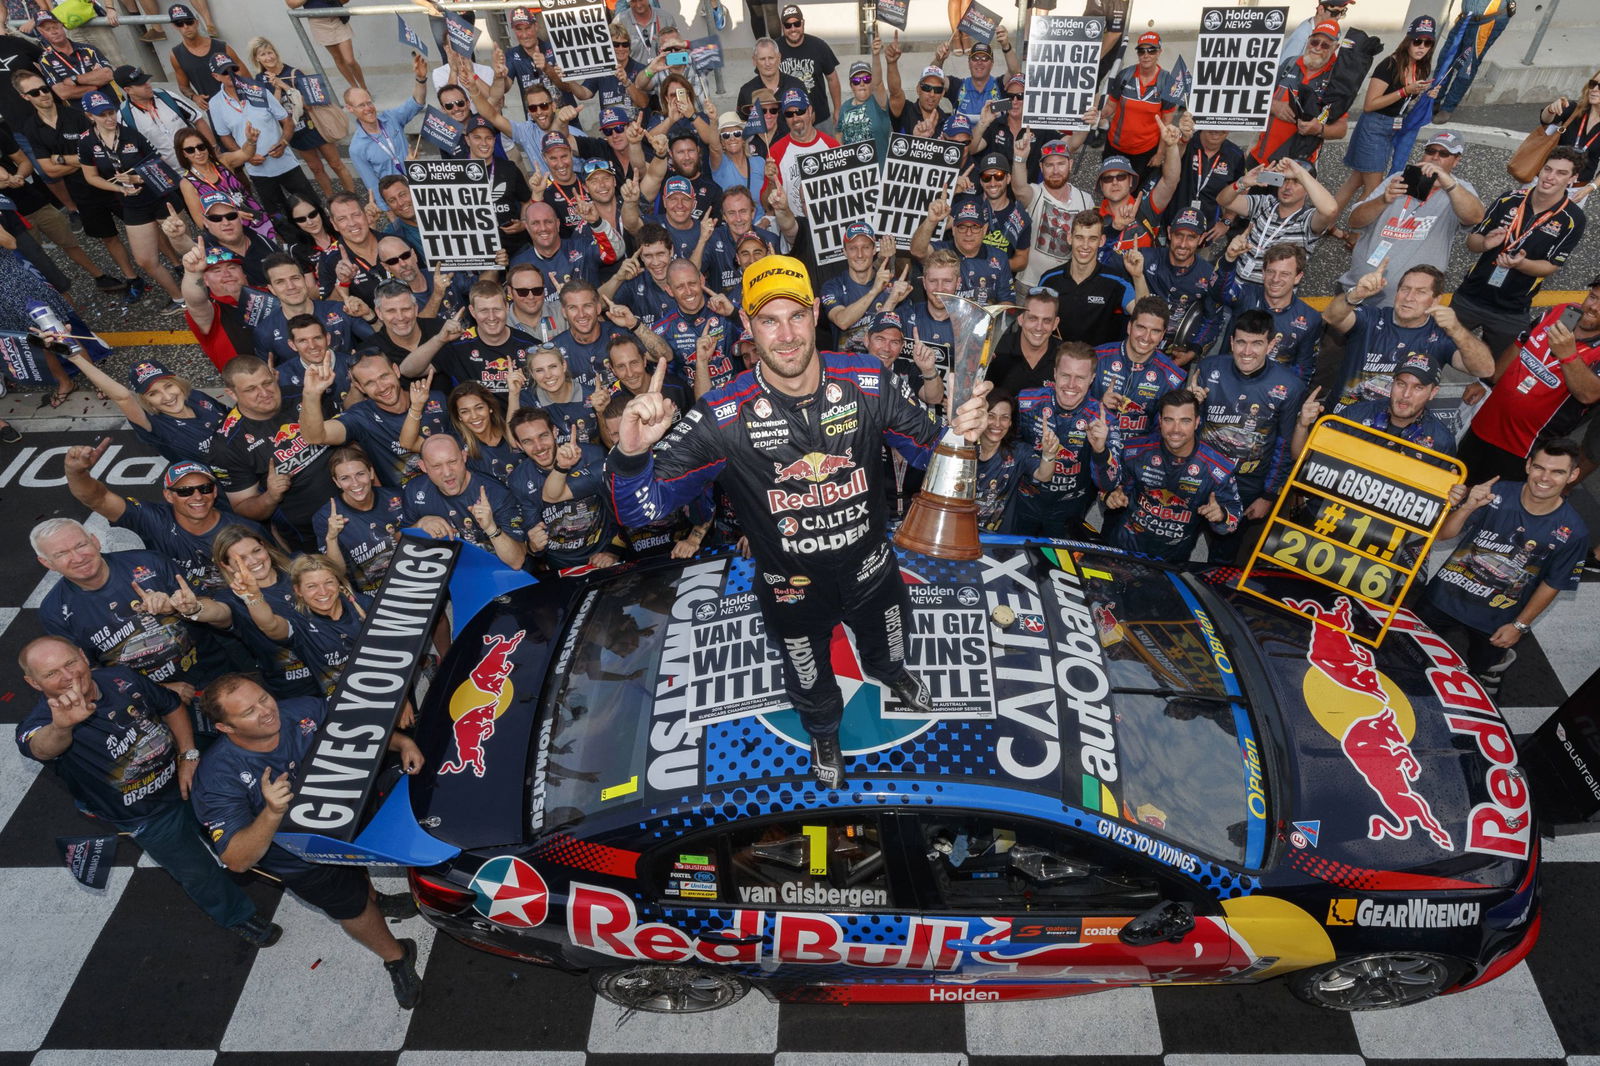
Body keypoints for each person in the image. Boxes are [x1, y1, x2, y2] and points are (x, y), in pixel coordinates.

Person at [606, 254, 992, 789]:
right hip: (791, 590)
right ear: (747, 326)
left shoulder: (867, 379)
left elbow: (932, 455)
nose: (785, 334)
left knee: (889, 650)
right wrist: (630, 455)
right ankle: (824, 732)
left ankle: (893, 676)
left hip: (873, 572)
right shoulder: (722, 416)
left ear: (815, 313)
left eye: (795, 316)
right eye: (768, 320)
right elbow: (638, 511)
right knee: (810, 683)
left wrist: (964, 433)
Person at [16, 636, 280, 948]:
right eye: (51, 674)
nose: (68, 676)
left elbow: (169, 706)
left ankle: (258, 858)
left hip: (187, 781)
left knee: (235, 824)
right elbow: (42, 749)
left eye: (70, 662)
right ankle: (237, 915)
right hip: (147, 817)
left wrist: (188, 755)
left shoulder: (120, 677)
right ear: (33, 683)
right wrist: (63, 727)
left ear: (84, 658)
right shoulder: (40, 725)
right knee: (196, 871)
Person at [192, 674, 424, 1009]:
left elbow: (358, 726)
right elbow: (236, 859)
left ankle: (376, 898)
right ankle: (397, 957)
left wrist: (402, 743)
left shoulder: (301, 709)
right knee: (352, 908)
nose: (266, 711)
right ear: (225, 728)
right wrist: (272, 811)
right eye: (248, 713)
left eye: (262, 698)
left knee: (362, 878)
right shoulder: (217, 777)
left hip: (346, 819)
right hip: (301, 859)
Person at [1420, 438, 1587, 694]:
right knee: (1407, 649)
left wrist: (1519, 626)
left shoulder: (1574, 532)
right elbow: (1442, 535)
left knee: (1477, 678)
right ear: (1528, 465)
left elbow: (1553, 583)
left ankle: (1492, 671)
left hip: (1497, 619)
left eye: (1557, 472)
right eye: (1540, 467)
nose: (1545, 477)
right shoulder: (1495, 493)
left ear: (1573, 475)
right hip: (1443, 596)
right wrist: (1468, 507)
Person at [17, 67, 143, 301]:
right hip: (82, 193)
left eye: (45, 88)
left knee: (146, 224)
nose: (43, 94)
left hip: (111, 180)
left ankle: (176, 265)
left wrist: (62, 158)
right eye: (35, 92)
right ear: (25, 97)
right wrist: (82, 159)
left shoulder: (75, 115)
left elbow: (100, 152)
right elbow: (48, 169)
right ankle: (133, 278)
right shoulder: (31, 128)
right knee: (108, 237)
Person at [1451, 148, 1587, 362]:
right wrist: (1485, 243)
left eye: (1561, 173)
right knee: (1436, 351)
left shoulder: (1573, 219)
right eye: (1548, 169)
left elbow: (1552, 266)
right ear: (1540, 170)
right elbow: (1472, 242)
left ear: (1573, 179)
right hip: (1470, 296)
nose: (1550, 177)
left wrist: (1521, 264)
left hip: (1512, 309)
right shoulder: (1509, 199)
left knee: (1496, 372)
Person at [1458, 280, 1600, 483]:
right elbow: (1520, 343)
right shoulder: (1559, 311)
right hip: (1483, 425)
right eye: (1593, 297)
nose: (1593, 307)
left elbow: (1589, 394)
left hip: (1524, 450)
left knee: (1493, 504)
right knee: (1455, 485)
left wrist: (1568, 355)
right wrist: (1486, 382)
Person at [1191, 309, 1305, 562]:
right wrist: (1191, 402)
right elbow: (1186, 423)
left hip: (1247, 483)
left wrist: (1268, 495)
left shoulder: (1290, 386)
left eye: (1257, 343)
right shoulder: (1209, 367)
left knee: (1224, 552)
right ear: (1231, 341)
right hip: (1200, 473)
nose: (1247, 351)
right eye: (1241, 342)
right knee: (1181, 537)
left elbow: (1284, 445)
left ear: (1271, 344)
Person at [1340, 130, 1485, 305]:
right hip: (1359, 287)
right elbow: (1354, 221)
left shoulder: (1460, 190)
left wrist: (1449, 184)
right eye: (1430, 151)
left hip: (1408, 303)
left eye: (1444, 153)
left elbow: (1476, 216)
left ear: (1456, 160)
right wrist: (1383, 200)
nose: (1435, 157)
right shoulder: (1397, 178)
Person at [75, 90, 187, 313]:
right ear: (90, 116)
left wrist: (136, 178)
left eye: (111, 112)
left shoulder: (132, 135)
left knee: (185, 246)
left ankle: (206, 289)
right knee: (145, 259)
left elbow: (161, 168)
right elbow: (90, 177)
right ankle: (179, 298)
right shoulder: (86, 142)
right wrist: (119, 188)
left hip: (159, 196)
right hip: (132, 203)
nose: (109, 118)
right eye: (102, 115)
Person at [1324, 262, 1491, 410]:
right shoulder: (1371, 317)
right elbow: (1331, 317)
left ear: (1435, 300)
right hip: (1341, 415)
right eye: (1405, 289)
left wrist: (1458, 330)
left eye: (1420, 292)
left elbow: (1485, 369)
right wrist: (1354, 296)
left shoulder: (1441, 336)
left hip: (1393, 428)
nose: (1409, 298)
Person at [210, 354, 336, 550]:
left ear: (275, 376)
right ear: (232, 394)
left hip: (356, 499)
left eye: (267, 382)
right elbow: (242, 507)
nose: (264, 392)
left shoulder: (304, 395)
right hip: (309, 533)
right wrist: (271, 496)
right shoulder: (227, 444)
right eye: (251, 389)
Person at [1105, 389, 1241, 561]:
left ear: (1197, 422)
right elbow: (1112, 486)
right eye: (1169, 420)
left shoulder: (1218, 469)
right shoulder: (1134, 450)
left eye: (1185, 421)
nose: (1176, 430)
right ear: (1160, 421)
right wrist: (1112, 495)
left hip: (1172, 559)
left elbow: (1234, 518)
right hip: (1125, 546)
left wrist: (1221, 515)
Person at [1012, 342, 1121, 538]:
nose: (1071, 385)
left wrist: (1100, 451)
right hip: (1023, 505)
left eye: (1080, 377)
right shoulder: (1026, 402)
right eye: (1065, 375)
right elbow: (1008, 448)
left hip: (1068, 516)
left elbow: (1109, 484)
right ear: (1054, 374)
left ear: (1092, 379)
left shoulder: (1104, 420)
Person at [1336, 17, 1439, 218]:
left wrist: (1427, 96)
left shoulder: (1421, 67)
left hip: (1392, 127)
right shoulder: (1389, 65)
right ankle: (1356, 234)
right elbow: (1369, 104)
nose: (1422, 47)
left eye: (1428, 43)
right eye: (1418, 41)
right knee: (1376, 190)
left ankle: (1326, 222)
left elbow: (1406, 106)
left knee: (1356, 180)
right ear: (1408, 40)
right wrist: (1404, 90)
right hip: (1374, 126)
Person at [302, 352, 448, 489]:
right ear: (359, 387)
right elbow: (315, 436)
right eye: (370, 383)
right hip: (408, 504)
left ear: (396, 370)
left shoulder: (436, 399)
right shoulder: (361, 416)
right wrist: (311, 394)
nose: (382, 387)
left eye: (384, 376)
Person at [206, 53, 315, 229]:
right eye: (225, 72)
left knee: (309, 204)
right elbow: (224, 135)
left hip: (285, 163)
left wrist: (284, 143)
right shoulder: (215, 103)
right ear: (215, 76)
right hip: (258, 170)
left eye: (233, 69)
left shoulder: (258, 89)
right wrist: (245, 156)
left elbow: (286, 120)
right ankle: (295, 247)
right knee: (278, 215)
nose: (231, 74)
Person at [505, 406, 616, 571]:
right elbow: (533, 533)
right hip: (560, 564)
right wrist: (533, 546)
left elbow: (619, 508)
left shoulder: (593, 455)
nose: (539, 447)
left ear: (555, 432)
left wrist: (614, 551)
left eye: (543, 436)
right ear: (519, 446)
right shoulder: (519, 480)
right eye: (527, 441)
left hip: (604, 553)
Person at [248, 36, 356, 201]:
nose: (268, 57)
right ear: (256, 58)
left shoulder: (293, 72)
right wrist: (276, 89)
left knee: (336, 164)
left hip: (313, 125)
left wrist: (283, 85)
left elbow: (309, 104)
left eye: (270, 53)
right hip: (294, 130)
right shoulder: (260, 80)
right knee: (316, 169)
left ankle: (352, 197)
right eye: (263, 54)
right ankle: (330, 200)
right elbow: (270, 110)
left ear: (276, 53)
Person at [64, 355, 226, 465]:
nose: (167, 397)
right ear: (146, 400)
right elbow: (123, 398)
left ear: (177, 383)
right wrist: (75, 357)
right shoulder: (156, 426)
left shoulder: (197, 397)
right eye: (153, 393)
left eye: (168, 386)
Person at [1293, 352, 1456, 458]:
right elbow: (1303, 455)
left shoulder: (1441, 441)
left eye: (1418, 387)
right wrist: (1302, 426)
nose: (1406, 395)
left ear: (1433, 393)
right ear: (1392, 384)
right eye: (1401, 384)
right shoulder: (1355, 414)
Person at [404, 434, 528, 569]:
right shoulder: (415, 489)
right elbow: (400, 538)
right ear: (423, 467)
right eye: (436, 466)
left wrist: (491, 528)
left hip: (496, 572)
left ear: (464, 457)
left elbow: (517, 561)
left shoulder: (495, 493)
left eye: (452, 462)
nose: (447, 473)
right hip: (450, 571)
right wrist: (420, 524)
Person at [1215, 157, 1337, 286]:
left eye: (1296, 181)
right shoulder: (1265, 203)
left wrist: (1300, 173)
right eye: (1284, 180)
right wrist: (1242, 183)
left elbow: (1330, 210)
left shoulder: (1308, 219)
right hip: (1235, 289)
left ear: (1308, 187)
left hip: (1270, 299)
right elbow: (1223, 200)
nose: (1288, 187)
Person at [1248, 19, 1349, 168]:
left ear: (1335, 48)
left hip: (1296, 169)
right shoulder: (1289, 64)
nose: (1317, 48)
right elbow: (1254, 97)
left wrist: (1319, 130)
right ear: (1308, 40)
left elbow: (1341, 129)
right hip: (1260, 159)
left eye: (1325, 45)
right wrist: (1273, 105)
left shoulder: (1336, 79)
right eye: (1314, 42)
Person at [314, 444, 408, 595]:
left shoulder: (396, 496)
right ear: (337, 482)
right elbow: (337, 572)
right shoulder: (325, 517)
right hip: (373, 596)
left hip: (411, 578)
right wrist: (331, 538)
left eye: (360, 474)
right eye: (345, 478)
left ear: (371, 473)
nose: (355, 483)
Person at [1036, 210, 1138, 347]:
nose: (1085, 245)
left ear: (1101, 241)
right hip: (1058, 361)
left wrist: (1138, 276)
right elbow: (1034, 323)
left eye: (1092, 239)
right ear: (1069, 238)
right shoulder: (1049, 279)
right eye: (1079, 237)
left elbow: (1142, 314)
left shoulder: (1115, 281)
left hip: (1097, 363)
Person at [1095, 296, 1186, 440]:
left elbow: (1164, 434)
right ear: (1129, 327)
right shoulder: (1096, 358)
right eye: (1141, 327)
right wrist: (1098, 404)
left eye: (1155, 331)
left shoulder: (1172, 378)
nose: (1146, 337)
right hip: (1094, 445)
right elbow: (1070, 410)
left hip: (1138, 456)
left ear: (1162, 335)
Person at [1011, 134, 1095, 286]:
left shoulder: (1085, 199)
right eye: (1049, 165)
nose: (1056, 170)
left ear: (1070, 164)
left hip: (1067, 285)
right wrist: (1019, 159)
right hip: (1029, 283)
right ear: (1041, 168)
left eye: (1061, 164)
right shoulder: (1035, 193)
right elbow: (1019, 188)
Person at [344, 52, 429, 203]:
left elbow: (417, 102)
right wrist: (392, 218)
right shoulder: (357, 148)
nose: (368, 108)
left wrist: (421, 79)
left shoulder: (391, 118)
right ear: (350, 109)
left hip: (419, 184)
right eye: (361, 105)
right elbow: (372, 186)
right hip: (398, 200)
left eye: (369, 102)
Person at [174, 125, 276, 244]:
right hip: (230, 232)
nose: (198, 153)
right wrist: (232, 216)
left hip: (257, 219)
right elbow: (201, 221)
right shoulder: (188, 183)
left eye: (201, 147)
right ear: (183, 154)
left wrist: (251, 142)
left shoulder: (223, 161)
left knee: (273, 253)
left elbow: (245, 154)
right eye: (190, 150)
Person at [1141, 208, 1218, 366]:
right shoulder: (1144, 258)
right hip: (1138, 344)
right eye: (1178, 235)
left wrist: (1192, 353)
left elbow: (1213, 320)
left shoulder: (1209, 275)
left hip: (1175, 357)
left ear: (1201, 238)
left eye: (1191, 237)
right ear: (1169, 233)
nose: (1183, 244)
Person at [1102, 31, 1181, 184]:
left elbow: (1166, 124)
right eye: (1141, 50)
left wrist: (1160, 154)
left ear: (1159, 52)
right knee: (1111, 191)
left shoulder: (1167, 82)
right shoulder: (1125, 75)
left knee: (1137, 195)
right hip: (1116, 147)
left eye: (1151, 50)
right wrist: (1098, 113)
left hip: (1145, 152)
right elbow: (1110, 107)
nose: (1146, 55)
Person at [912, 195, 1013, 304]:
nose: (968, 233)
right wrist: (931, 221)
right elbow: (917, 251)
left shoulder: (999, 257)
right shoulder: (940, 251)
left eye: (974, 227)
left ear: (984, 230)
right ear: (954, 230)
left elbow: (1008, 301)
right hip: (943, 318)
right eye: (962, 227)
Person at [1432, 0, 1517, 123]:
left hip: (1488, 20)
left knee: (1468, 65)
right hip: (1467, 16)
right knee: (1446, 57)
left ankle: (1448, 107)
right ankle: (1434, 99)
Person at [113, 63, 208, 172]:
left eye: (146, 80)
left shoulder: (167, 96)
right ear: (128, 90)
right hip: (173, 177)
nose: (147, 84)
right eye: (141, 84)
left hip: (202, 165)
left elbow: (198, 120)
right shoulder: (124, 116)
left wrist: (213, 149)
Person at [973, 391, 1031, 533]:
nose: (997, 424)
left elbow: (1044, 475)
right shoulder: (962, 448)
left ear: (1011, 422)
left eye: (1004, 417)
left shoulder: (1017, 452)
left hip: (997, 543)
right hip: (959, 534)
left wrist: (1049, 455)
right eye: (991, 416)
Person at [775, 4, 839, 132]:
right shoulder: (775, 48)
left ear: (803, 23)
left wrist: (837, 109)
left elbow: (832, 79)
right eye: (788, 25)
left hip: (820, 119)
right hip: (787, 121)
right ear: (782, 27)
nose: (793, 29)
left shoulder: (819, 46)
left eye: (796, 24)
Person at [987, 287, 1060, 398]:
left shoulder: (1065, 356)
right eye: (1033, 318)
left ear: (1055, 323)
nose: (1039, 327)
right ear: (1020, 318)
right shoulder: (996, 350)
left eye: (1047, 320)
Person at [166, 2, 242, 105]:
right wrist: (194, 97)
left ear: (196, 22)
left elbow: (245, 76)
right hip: (213, 108)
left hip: (239, 102)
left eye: (189, 22)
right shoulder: (176, 55)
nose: (185, 27)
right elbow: (184, 86)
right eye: (179, 24)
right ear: (174, 26)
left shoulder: (222, 47)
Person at [283, 0, 366, 92]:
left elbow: (345, 1)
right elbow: (291, 4)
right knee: (338, 58)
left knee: (349, 60)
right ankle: (355, 88)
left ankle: (364, 88)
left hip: (336, 17)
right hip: (318, 22)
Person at [736, 36, 806, 119]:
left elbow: (809, 115)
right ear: (754, 61)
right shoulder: (746, 91)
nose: (767, 63)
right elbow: (741, 123)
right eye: (762, 59)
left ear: (779, 58)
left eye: (771, 58)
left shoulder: (796, 86)